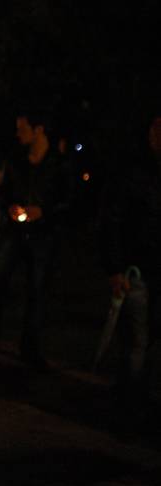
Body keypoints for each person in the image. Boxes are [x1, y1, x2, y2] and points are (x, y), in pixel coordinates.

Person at [0, 109, 73, 368]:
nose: (17, 134)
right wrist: (10, 206)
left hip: (43, 235)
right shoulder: (15, 159)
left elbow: (69, 201)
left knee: (37, 291)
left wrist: (43, 212)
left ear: (39, 130)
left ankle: (30, 348)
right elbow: (3, 192)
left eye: (23, 129)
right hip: (14, 232)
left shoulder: (59, 163)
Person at [100, 113, 161, 407]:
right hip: (136, 270)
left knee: (148, 342)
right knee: (136, 342)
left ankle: (140, 398)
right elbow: (113, 219)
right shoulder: (133, 172)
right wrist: (114, 267)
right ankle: (130, 402)